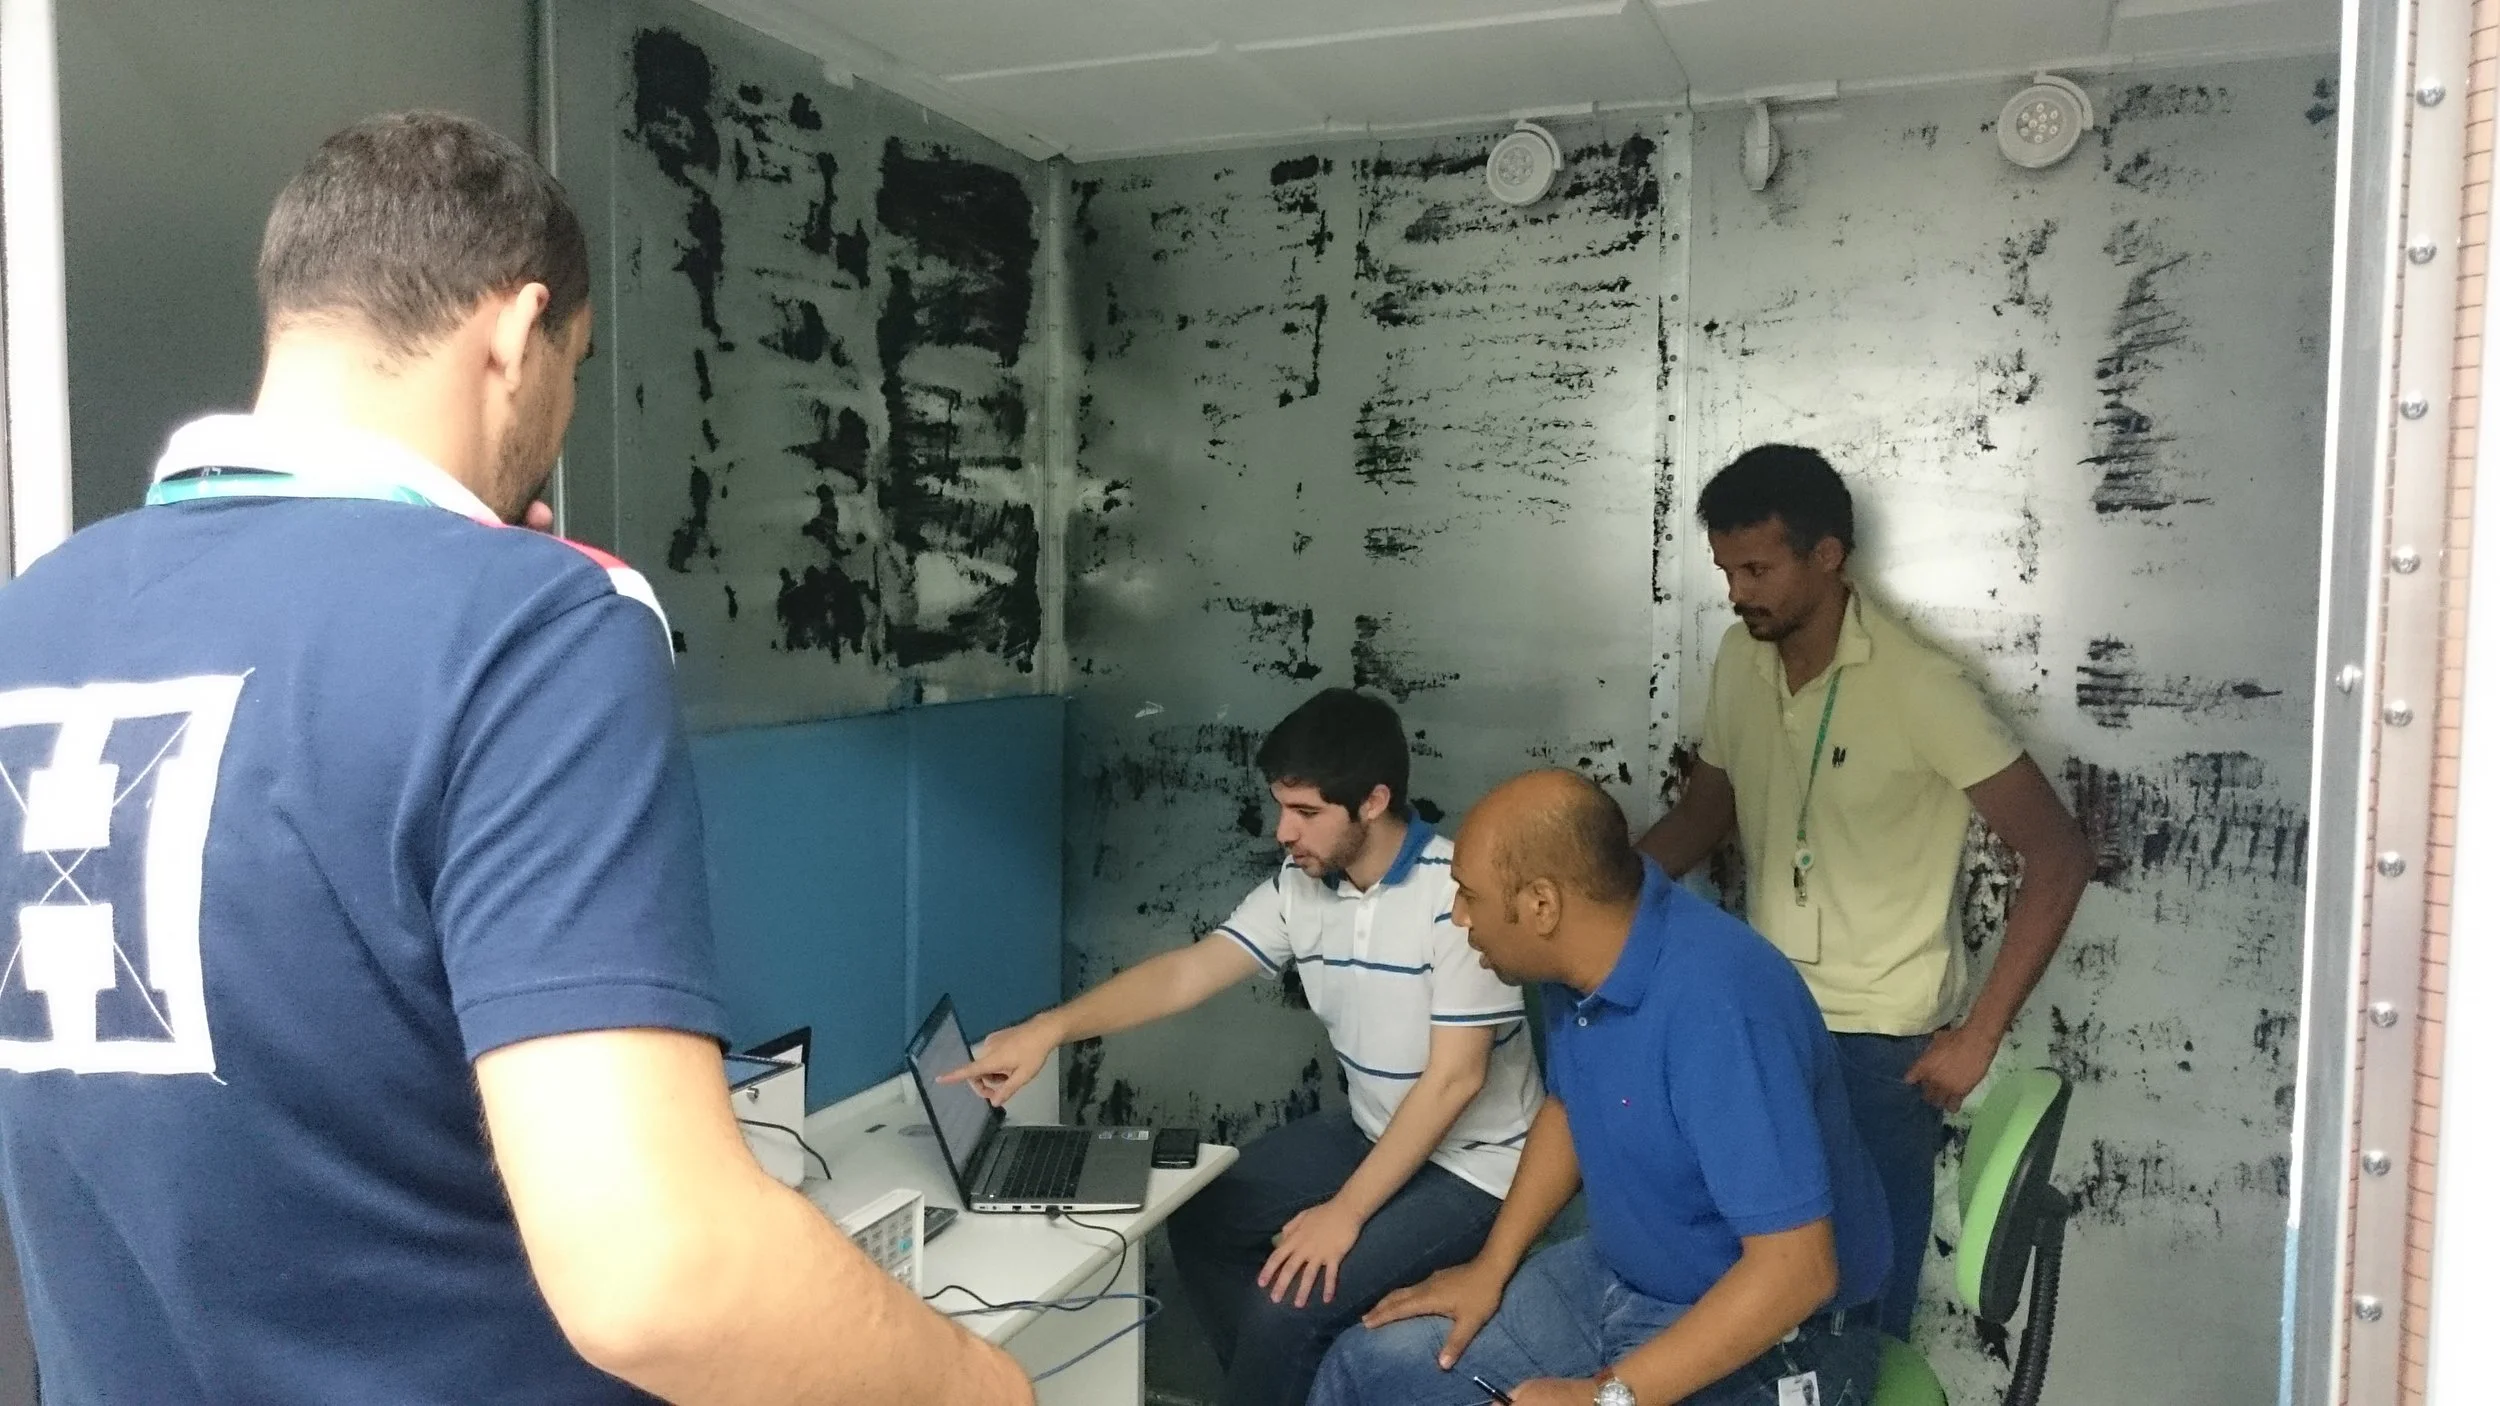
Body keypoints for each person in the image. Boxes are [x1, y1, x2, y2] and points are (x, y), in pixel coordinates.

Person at [0, 113, 1029, 1405]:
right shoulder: (534, 624)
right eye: (575, 367)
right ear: (513, 328)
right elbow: (660, 1271)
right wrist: (975, 1387)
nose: (559, 414)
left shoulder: (33, 614)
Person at [949, 687, 1543, 1406]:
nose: (1282, 832)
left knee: (1288, 1306)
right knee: (1204, 1215)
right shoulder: (1304, 885)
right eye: (1281, 807)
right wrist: (1049, 1029)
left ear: (1375, 801)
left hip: (1473, 1165)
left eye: (1306, 813)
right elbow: (1188, 972)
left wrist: (1344, 1213)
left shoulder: (1453, 893)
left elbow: (1455, 1081)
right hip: (1374, 1129)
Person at [1635, 443, 2092, 1339]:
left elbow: (2060, 854)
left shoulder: (1921, 685)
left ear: (1828, 555)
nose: (1738, 591)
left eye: (1759, 568)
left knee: (1862, 1300)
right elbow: (1705, 812)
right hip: (1763, 1014)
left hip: (1880, 1045)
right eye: (1727, 570)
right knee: (1754, 1289)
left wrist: (1979, 1037)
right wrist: (1604, 903)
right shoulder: (1739, 657)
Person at [1310, 770, 1890, 1406]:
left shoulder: (1719, 1007)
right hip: (1617, 1276)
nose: (1458, 916)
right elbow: (1569, 1108)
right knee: (1365, 1370)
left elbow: (1795, 1273)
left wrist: (1602, 1398)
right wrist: (1491, 1266)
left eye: (1469, 895)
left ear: (1541, 906)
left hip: (1778, 1336)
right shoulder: (1577, 960)